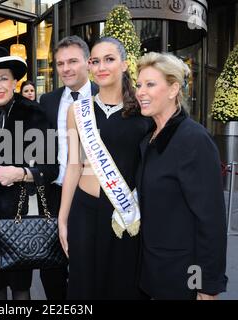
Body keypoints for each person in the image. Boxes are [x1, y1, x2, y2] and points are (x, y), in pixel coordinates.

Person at [58, 37, 151, 300]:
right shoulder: (77, 111)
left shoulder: (143, 112)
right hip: (84, 210)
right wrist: (63, 219)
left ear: (124, 64)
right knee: (83, 285)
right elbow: (73, 166)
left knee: (122, 285)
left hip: (124, 212)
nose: (101, 66)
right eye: (95, 61)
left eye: (109, 59)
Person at [0, 46, 58, 300]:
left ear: (15, 81)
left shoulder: (33, 113)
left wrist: (20, 173)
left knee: (20, 288)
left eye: (3, 78)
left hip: (17, 214)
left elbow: (51, 169)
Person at [135, 52, 228, 300]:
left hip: (183, 278)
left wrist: (206, 286)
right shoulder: (149, 139)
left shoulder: (193, 140)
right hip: (150, 274)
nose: (140, 92)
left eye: (150, 84)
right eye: (139, 85)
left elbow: (211, 220)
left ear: (173, 89)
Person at [38, 35, 98, 300]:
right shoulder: (47, 100)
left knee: (89, 265)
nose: (66, 68)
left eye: (72, 61)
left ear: (88, 62)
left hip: (91, 194)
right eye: (60, 63)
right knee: (51, 268)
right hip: (53, 192)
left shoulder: (104, 95)